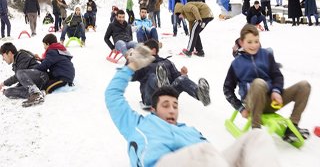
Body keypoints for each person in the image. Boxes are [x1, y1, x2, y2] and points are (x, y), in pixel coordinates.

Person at [105, 44, 281, 167]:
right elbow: (112, 95)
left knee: (257, 137)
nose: (172, 109)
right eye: (165, 105)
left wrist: (182, 74)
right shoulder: (138, 125)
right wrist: (133, 65)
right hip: (164, 161)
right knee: (202, 152)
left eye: (175, 105)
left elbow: (213, 156)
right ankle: (160, 83)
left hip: (203, 159)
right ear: (153, 110)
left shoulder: (189, 130)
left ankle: (199, 93)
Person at [223, 24, 310, 143]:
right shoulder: (236, 64)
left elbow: (277, 76)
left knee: (304, 86)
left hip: (271, 101)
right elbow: (227, 89)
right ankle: (256, 130)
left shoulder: (266, 55)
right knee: (259, 83)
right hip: (252, 103)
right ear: (242, 43)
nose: (254, 45)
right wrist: (241, 108)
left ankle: (291, 128)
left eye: (256, 41)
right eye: (249, 42)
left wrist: (276, 91)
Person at [132, 39, 210, 106]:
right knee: (153, 76)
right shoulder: (142, 64)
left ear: (153, 50)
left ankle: (200, 94)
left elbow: (176, 78)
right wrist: (131, 62)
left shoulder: (167, 62)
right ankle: (162, 84)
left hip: (169, 94)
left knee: (181, 79)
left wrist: (183, 75)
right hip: (151, 98)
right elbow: (131, 76)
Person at [0, 43, 49, 107]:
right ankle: (38, 93)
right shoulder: (16, 62)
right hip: (34, 82)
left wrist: (3, 83)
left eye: (3, 56)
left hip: (41, 76)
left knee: (19, 73)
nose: (3, 59)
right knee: (8, 92)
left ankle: (36, 94)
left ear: (9, 53)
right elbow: (22, 79)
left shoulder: (22, 56)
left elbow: (17, 76)